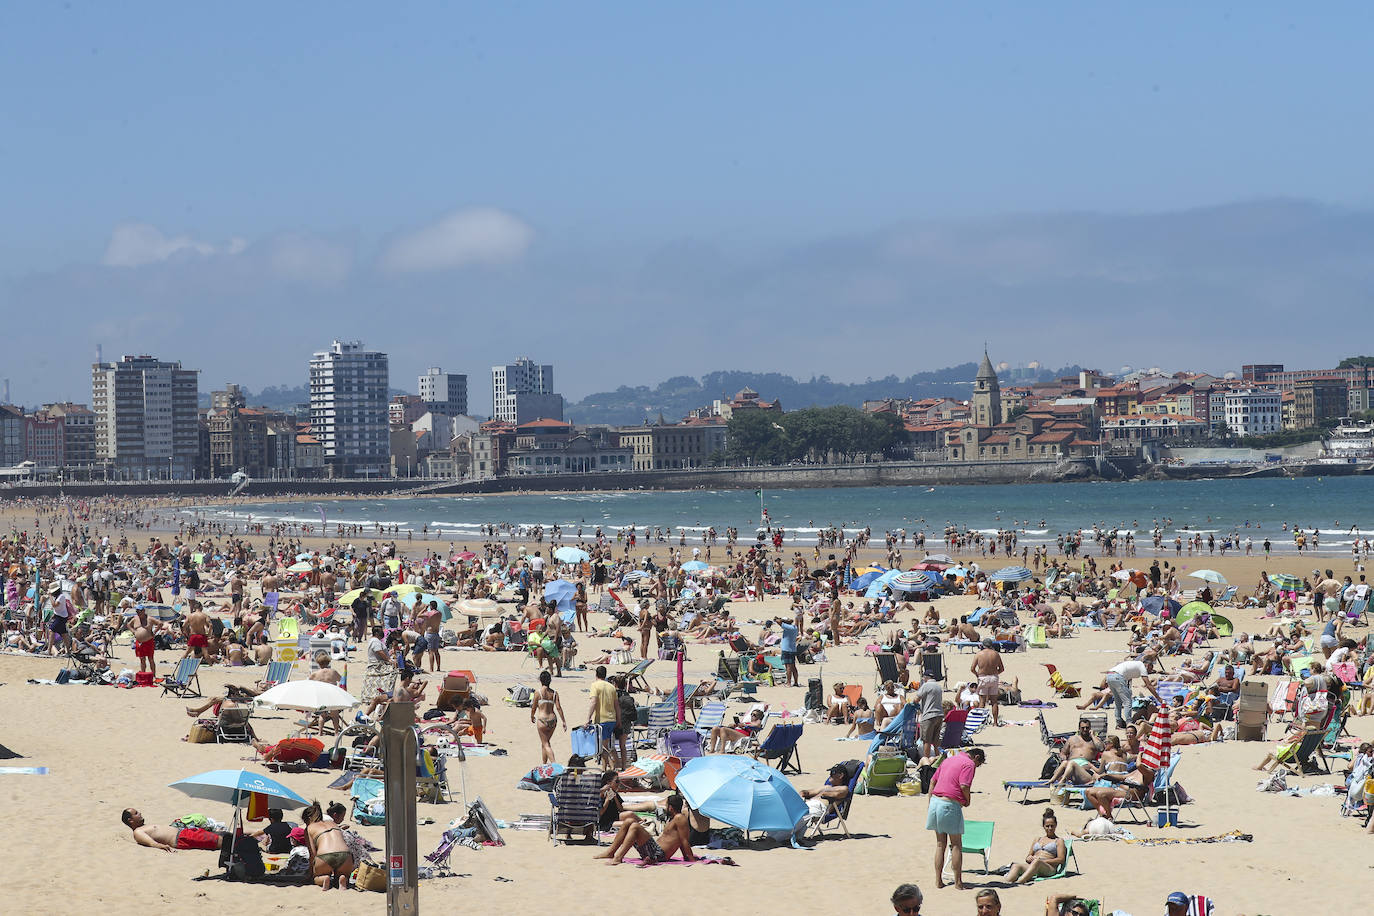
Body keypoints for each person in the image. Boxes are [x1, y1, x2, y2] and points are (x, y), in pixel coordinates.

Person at [926, 747, 986, 890]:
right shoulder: (969, 764)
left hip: (935, 802)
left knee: (940, 844)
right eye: (979, 764)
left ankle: (938, 881)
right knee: (956, 845)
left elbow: (932, 782)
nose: (977, 767)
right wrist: (967, 800)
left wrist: (930, 804)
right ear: (976, 757)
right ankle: (958, 882)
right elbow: (964, 785)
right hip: (949, 804)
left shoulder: (949, 759)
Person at [594, 793, 698, 866]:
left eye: (666, 805)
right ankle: (610, 852)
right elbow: (680, 840)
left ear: (670, 807)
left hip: (659, 854)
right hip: (653, 850)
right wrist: (686, 857)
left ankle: (618, 858)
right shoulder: (673, 819)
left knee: (635, 826)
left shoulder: (680, 818)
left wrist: (690, 858)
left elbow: (684, 840)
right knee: (629, 821)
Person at [1005, 808, 1067, 883]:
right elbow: (1028, 857)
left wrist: (1043, 861)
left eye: (1052, 826)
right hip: (1034, 866)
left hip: (1049, 868)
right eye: (1047, 826)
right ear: (1043, 826)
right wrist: (1029, 858)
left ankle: (1021, 881)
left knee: (1037, 862)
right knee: (1016, 866)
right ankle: (1007, 882)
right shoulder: (1037, 839)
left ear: (1056, 825)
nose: (1050, 828)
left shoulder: (1059, 841)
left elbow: (1061, 859)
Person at [303, 799, 353, 891]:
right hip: (345, 855)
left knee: (317, 877)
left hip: (325, 856)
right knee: (343, 874)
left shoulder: (309, 828)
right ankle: (342, 879)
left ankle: (324, 879)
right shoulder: (333, 823)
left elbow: (312, 854)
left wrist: (311, 873)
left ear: (308, 819)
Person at [1103, 651, 1161, 729]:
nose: (1149, 671)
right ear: (1147, 665)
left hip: (1109, 676)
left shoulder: (1134, 664)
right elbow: (1149, 685)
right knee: (1127, 702)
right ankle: (1128, 722)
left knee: (1118, 701)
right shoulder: (1142, 666)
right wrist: (1159, 698)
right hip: (1117, 677)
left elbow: (1128, 680)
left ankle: (1119, 722)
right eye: (1150, 668)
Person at [121, 808, 223, 851]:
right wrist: (161, 846)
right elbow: (150, 842)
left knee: (220, 836)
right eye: (136, 813)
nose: (140, 814)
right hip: (182, 838)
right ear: (130, 820)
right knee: (217, 841)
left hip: (184, 832)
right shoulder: (138, 832)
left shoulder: (143, 827)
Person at [1047, 719, 1104, 787]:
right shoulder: (1072, 739)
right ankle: (1052, 780)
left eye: (1087, 727)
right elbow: (1063, 753)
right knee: (1066, 763)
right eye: (1083, 728)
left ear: (1090, 728)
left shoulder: (1095, 740)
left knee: (1072, 763)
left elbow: (1101, 748)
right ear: (1079, 729)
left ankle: (1062, 781)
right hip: (1069, 769)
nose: (1085, 729)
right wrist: (1063, 758)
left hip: (1084, 771)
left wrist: (1092, 736)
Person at [587, 665, 621, 769]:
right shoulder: (611, 687)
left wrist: (588, 717)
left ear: (596, 674)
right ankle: (606, 769)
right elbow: (617, 706)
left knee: (603, 747)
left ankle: (612, 768)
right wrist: (619, 720)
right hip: (612, 719)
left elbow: (593, 702)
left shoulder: (595, 685)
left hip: (602, 720)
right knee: (607, 745)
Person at [531, 669, 567, 764]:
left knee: (546, 744)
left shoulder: (538, 693)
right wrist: (564, 721)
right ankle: (544, 764)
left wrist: (532, 716)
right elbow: (559, 708)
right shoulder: (554, 693)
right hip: (553, 720)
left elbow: (534, 707)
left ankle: (554, 763)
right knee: (545, 743)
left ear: (541, 680)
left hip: (542, 720)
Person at [971, 639, 1005, 726]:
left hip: (983, 677)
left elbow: (972, 668)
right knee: (994, 701)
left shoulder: (979, 654)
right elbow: (1002, 669)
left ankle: (980, 721)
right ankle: (995, 722)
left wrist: (977, 675)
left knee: (982, 701)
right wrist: (995, 674)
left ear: (983, 645)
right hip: (993, 677)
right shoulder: (996, 654)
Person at [915, 671, 945, 760]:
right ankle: (937, 759)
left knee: (926, 740)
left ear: (925, 677)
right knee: (936, 741)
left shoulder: (926, 685)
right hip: (939, 714)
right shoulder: (938, 686)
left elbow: (916, 699)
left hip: (929, 715)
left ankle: (926, 760)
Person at [775, 614, 800, 687]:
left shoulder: (788, 627)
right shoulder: (794, 627)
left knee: (788, 667)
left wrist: (779, 619)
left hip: (787, 649)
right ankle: (796, 682)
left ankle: (788, 683)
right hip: (792, 649)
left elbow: (778, 621)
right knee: (793, 667)